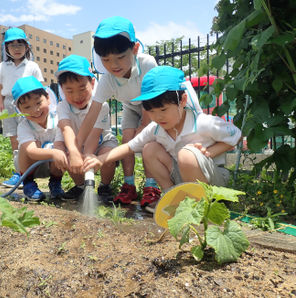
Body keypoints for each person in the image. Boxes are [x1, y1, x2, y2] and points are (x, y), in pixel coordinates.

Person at [83, 66, 242, 212]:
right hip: (183, 176)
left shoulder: (203, 123)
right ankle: (173, 198)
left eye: (163, 109)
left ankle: (199, 206)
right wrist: (101, 159)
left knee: (186, 155)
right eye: (151, 111)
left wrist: (209, 151)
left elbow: (237, 136)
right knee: (149, 149)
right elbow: (129, 147)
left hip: (213, 180)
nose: (158, 116)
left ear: (183, 100)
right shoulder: (156, 128)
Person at [76, 16, 159, 205]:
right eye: (106, 60)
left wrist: (144, 127)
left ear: (135, 49)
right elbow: (93, 112)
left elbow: (152, 100)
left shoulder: (147, 64)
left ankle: (151, 186)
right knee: (127, 140)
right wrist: (77, 145)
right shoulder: (108, 79)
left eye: (120, 57)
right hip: (130, 106)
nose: (114, 65)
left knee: (147, 142)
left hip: (152, 106)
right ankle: (128, 185)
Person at [54, 55, 117, 202]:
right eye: (69, 91)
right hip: (77, 143)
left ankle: (105, 185)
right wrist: (75, 153)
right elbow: (66, 129)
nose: (77, 96)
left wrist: (88, 155)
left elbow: (95, 135)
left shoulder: (101, 105)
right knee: (69, 156)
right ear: (62, 89)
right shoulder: (63, 106)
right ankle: (80, 186)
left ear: (93, 83)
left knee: (108, 156)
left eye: (82, 88)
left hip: (101, 142)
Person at [0, 27, 44, 188]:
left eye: (20, 44)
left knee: (29, 137)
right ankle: (18, 173)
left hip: (28, 104)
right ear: (6, 48)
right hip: (10, 103)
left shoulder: (32, 66)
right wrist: (0, 103)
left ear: (27, 47)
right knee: (13, 139)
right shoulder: (3, 66)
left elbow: (41, 88)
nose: (16, 49)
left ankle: (30, 171)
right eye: (12, 45)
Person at [12, 76, 67, 202]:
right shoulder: (24, 125)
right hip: (29, 166)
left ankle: (55, 183)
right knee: (26, 148)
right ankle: (28, 184)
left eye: (38, 103)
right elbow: (31, 151)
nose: (35, 110)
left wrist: (57, 151)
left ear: (48, 98)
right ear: (19, 110)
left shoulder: (58, 119)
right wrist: (54, 152)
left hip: (52, 164)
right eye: (27, 107)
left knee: (60, 146)